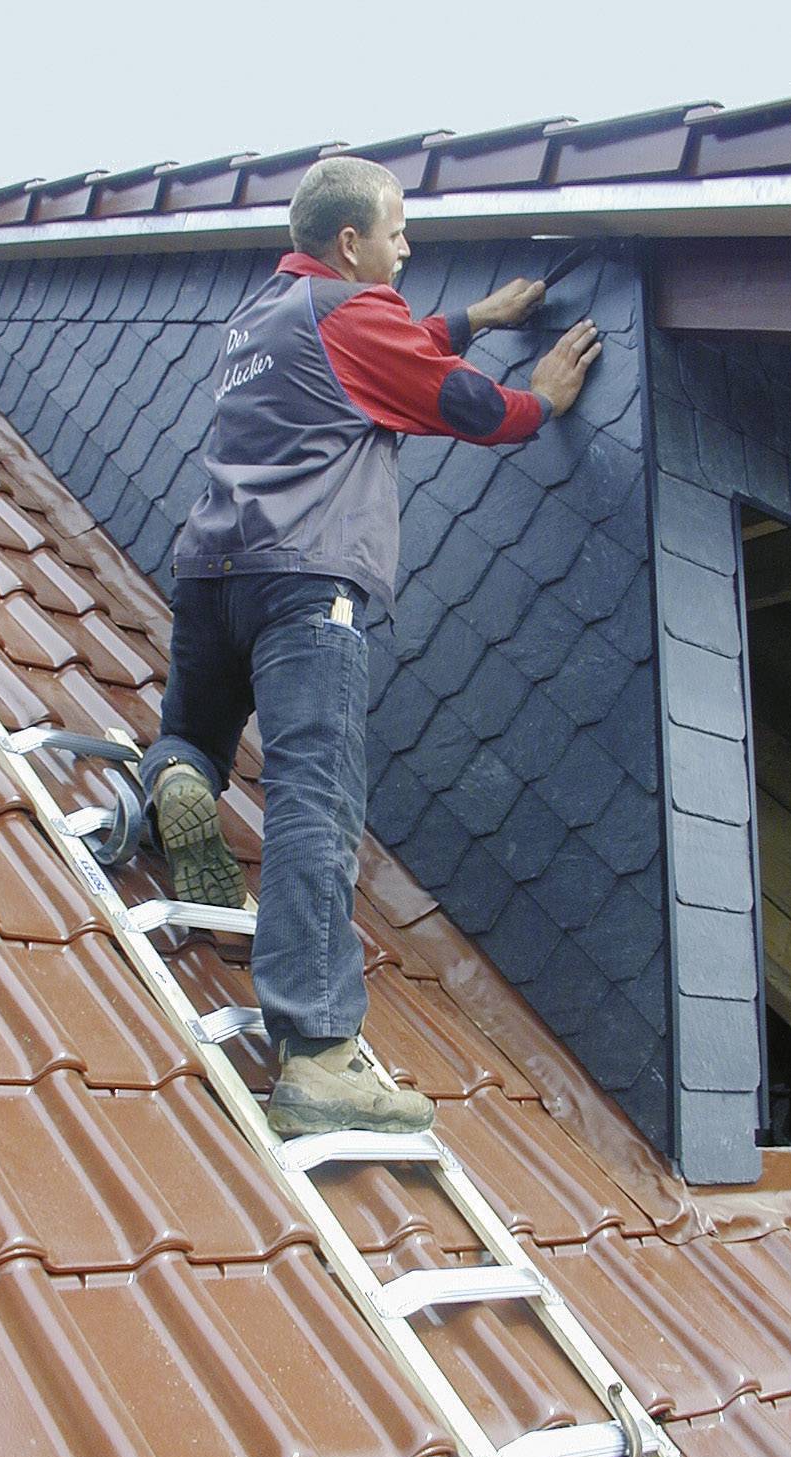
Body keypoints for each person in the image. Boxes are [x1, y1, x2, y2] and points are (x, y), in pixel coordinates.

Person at [140, 156, 601, 1138]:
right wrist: (546, 400)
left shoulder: (267, 314)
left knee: (193, 733)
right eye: (396, 233)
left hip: (211, 576)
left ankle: (176, 779)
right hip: (309, 590)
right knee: (316, 793)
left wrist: (471, 318)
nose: (407, 248)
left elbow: (386, 347)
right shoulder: (353, 317)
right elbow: (465, 405)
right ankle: (315, 1056)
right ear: (351, 243)